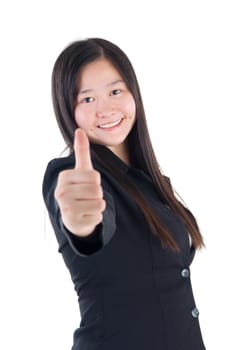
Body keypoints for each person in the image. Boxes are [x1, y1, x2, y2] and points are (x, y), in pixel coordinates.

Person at [42, 37, 206, 350]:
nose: (105, 108)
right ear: (68, 110)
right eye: (87, 99)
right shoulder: (71, 175)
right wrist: (82, 223)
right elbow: (90, 229)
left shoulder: (154, 185)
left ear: (133, 94)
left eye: (115, 91)